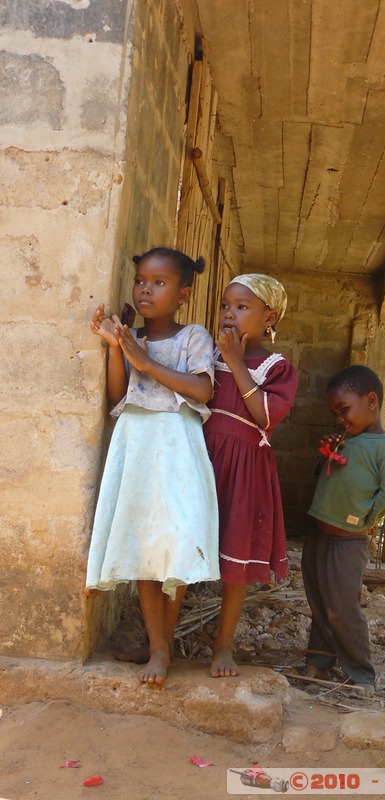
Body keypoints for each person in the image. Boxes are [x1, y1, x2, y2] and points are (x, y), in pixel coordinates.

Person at [84, 247, 220, 685]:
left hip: (178, 449)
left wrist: (146, 361)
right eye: (142, 280)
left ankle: (160, 640)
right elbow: (117, 396)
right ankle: (158, 648)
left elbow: (202, 389)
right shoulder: (131, 338)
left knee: (176, 543)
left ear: (183, 294)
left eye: (159, 283)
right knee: (146, 545)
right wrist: (115, 348)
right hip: (138, 445)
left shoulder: (193, 336)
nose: (146, 288)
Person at [203, 274, 298, 678]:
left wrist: (237, 363)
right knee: (184, 545)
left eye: (242, 307)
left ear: (269, 317)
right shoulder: (205, 353)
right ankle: (160, 643)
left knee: (234, 558)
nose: (230, 313)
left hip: (244, 468)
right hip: (202, 456)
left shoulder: (278, 368)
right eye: (226, 305)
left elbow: (263, 415)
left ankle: (223, 646)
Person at [302, 364, 385, 696]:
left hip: (346, 544)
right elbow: (328, 476)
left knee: (342, 608)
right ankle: (319, 660)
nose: (339, 419)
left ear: (371, 401)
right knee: (319, 602)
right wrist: (326, 454)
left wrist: (369, 519)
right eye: (336, 412)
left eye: (343, 410)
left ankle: (361, 675)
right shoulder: (348, 438)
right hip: (319, 537)